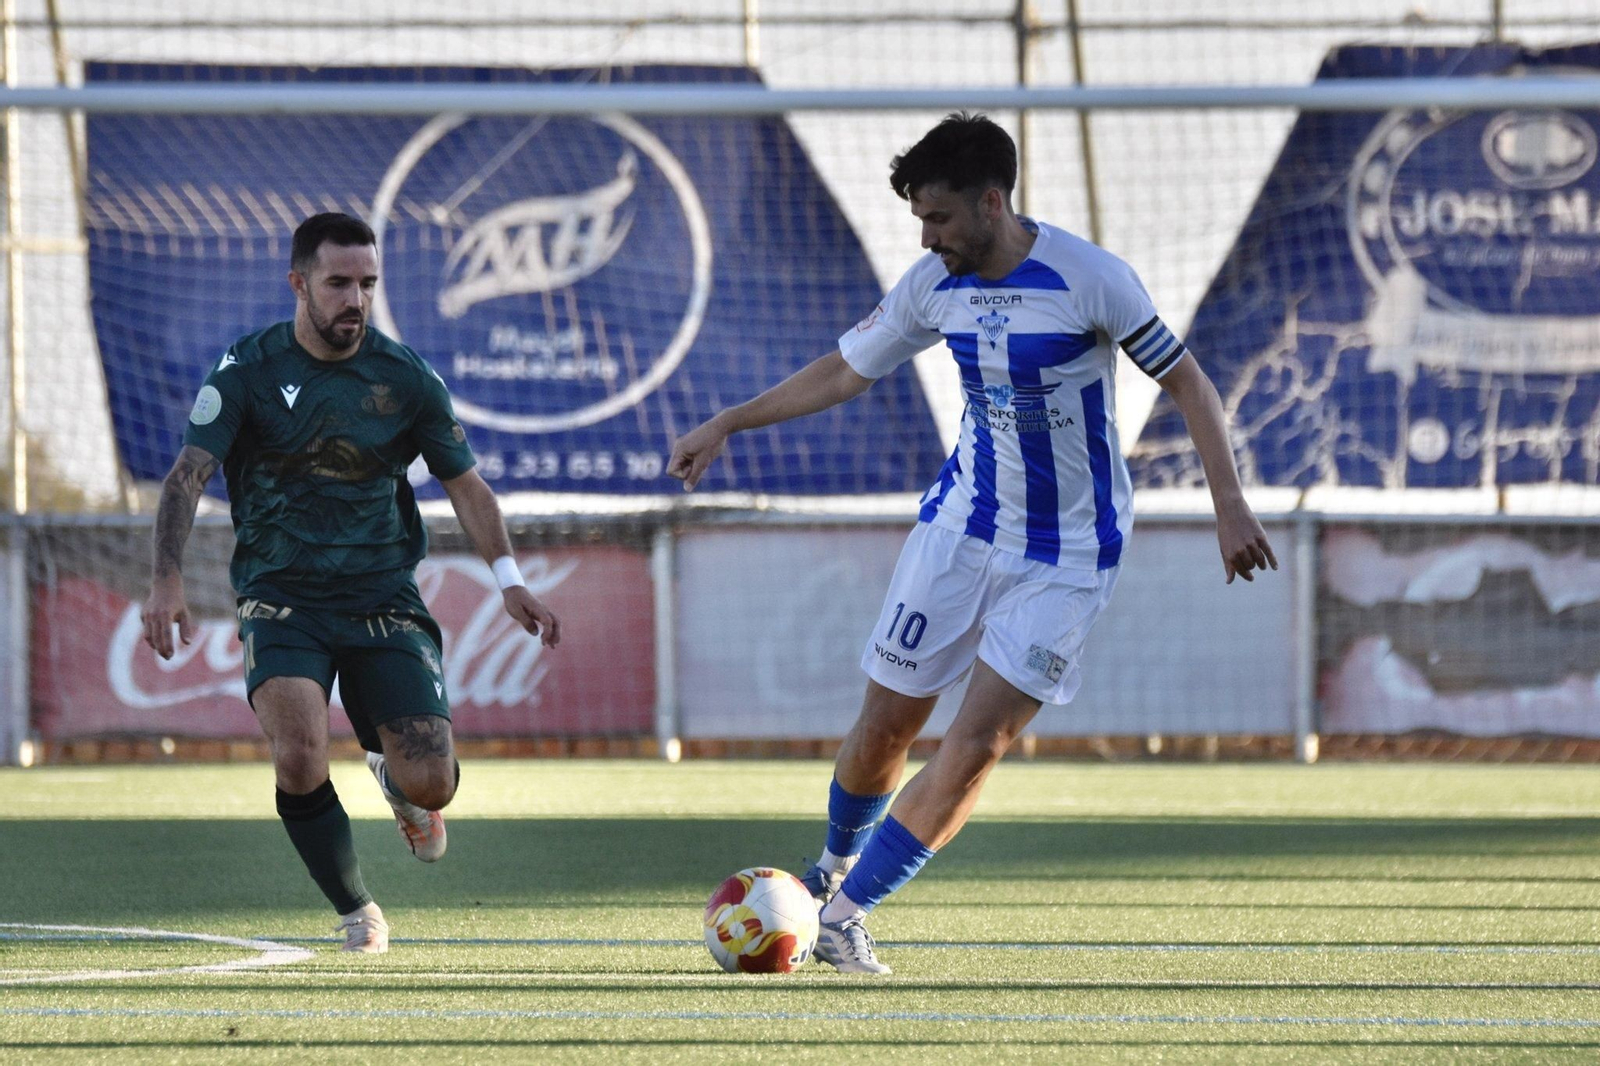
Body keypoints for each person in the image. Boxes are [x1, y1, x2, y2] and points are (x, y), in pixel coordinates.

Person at [667, 113, 1276, 974]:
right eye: (921, 220)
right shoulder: (931, 284)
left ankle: (844, 915)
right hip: (960, 532)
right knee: (885, 724)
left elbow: (1188, 382)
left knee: (978, 742)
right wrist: (730, 421)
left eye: (940, 218)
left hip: (1067, 557)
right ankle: (827, 872)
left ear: (993, 202)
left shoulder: (1092, 279)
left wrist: (1230, 505)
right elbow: (847, 369)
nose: (928, 236)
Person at [140, 212, 560, 953]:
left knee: (434, 780)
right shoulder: (249, 370)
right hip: (281, 598)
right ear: (299, 284)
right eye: (338, 283)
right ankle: (356, 908)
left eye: (367, 284)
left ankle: (403, 790)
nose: (355, 300)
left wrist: (509, 580)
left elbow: (467, 486)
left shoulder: (404, 377)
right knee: (299, 751)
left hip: (382, 597)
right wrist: (166, 578)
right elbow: (187, 474)